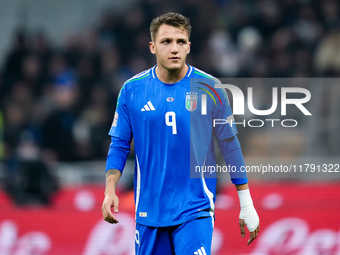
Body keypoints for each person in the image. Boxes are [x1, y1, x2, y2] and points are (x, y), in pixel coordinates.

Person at [101, 12, 259, 254]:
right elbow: (120, 144)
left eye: (180, 42)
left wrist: (246, 203)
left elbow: (229, 145)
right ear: (152, 47)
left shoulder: (210, 88)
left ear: (189, 47)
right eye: (166, 42)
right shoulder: (132, 90)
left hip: (195, 209)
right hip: (149, 212)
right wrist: (110, 188)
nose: (174, 48)